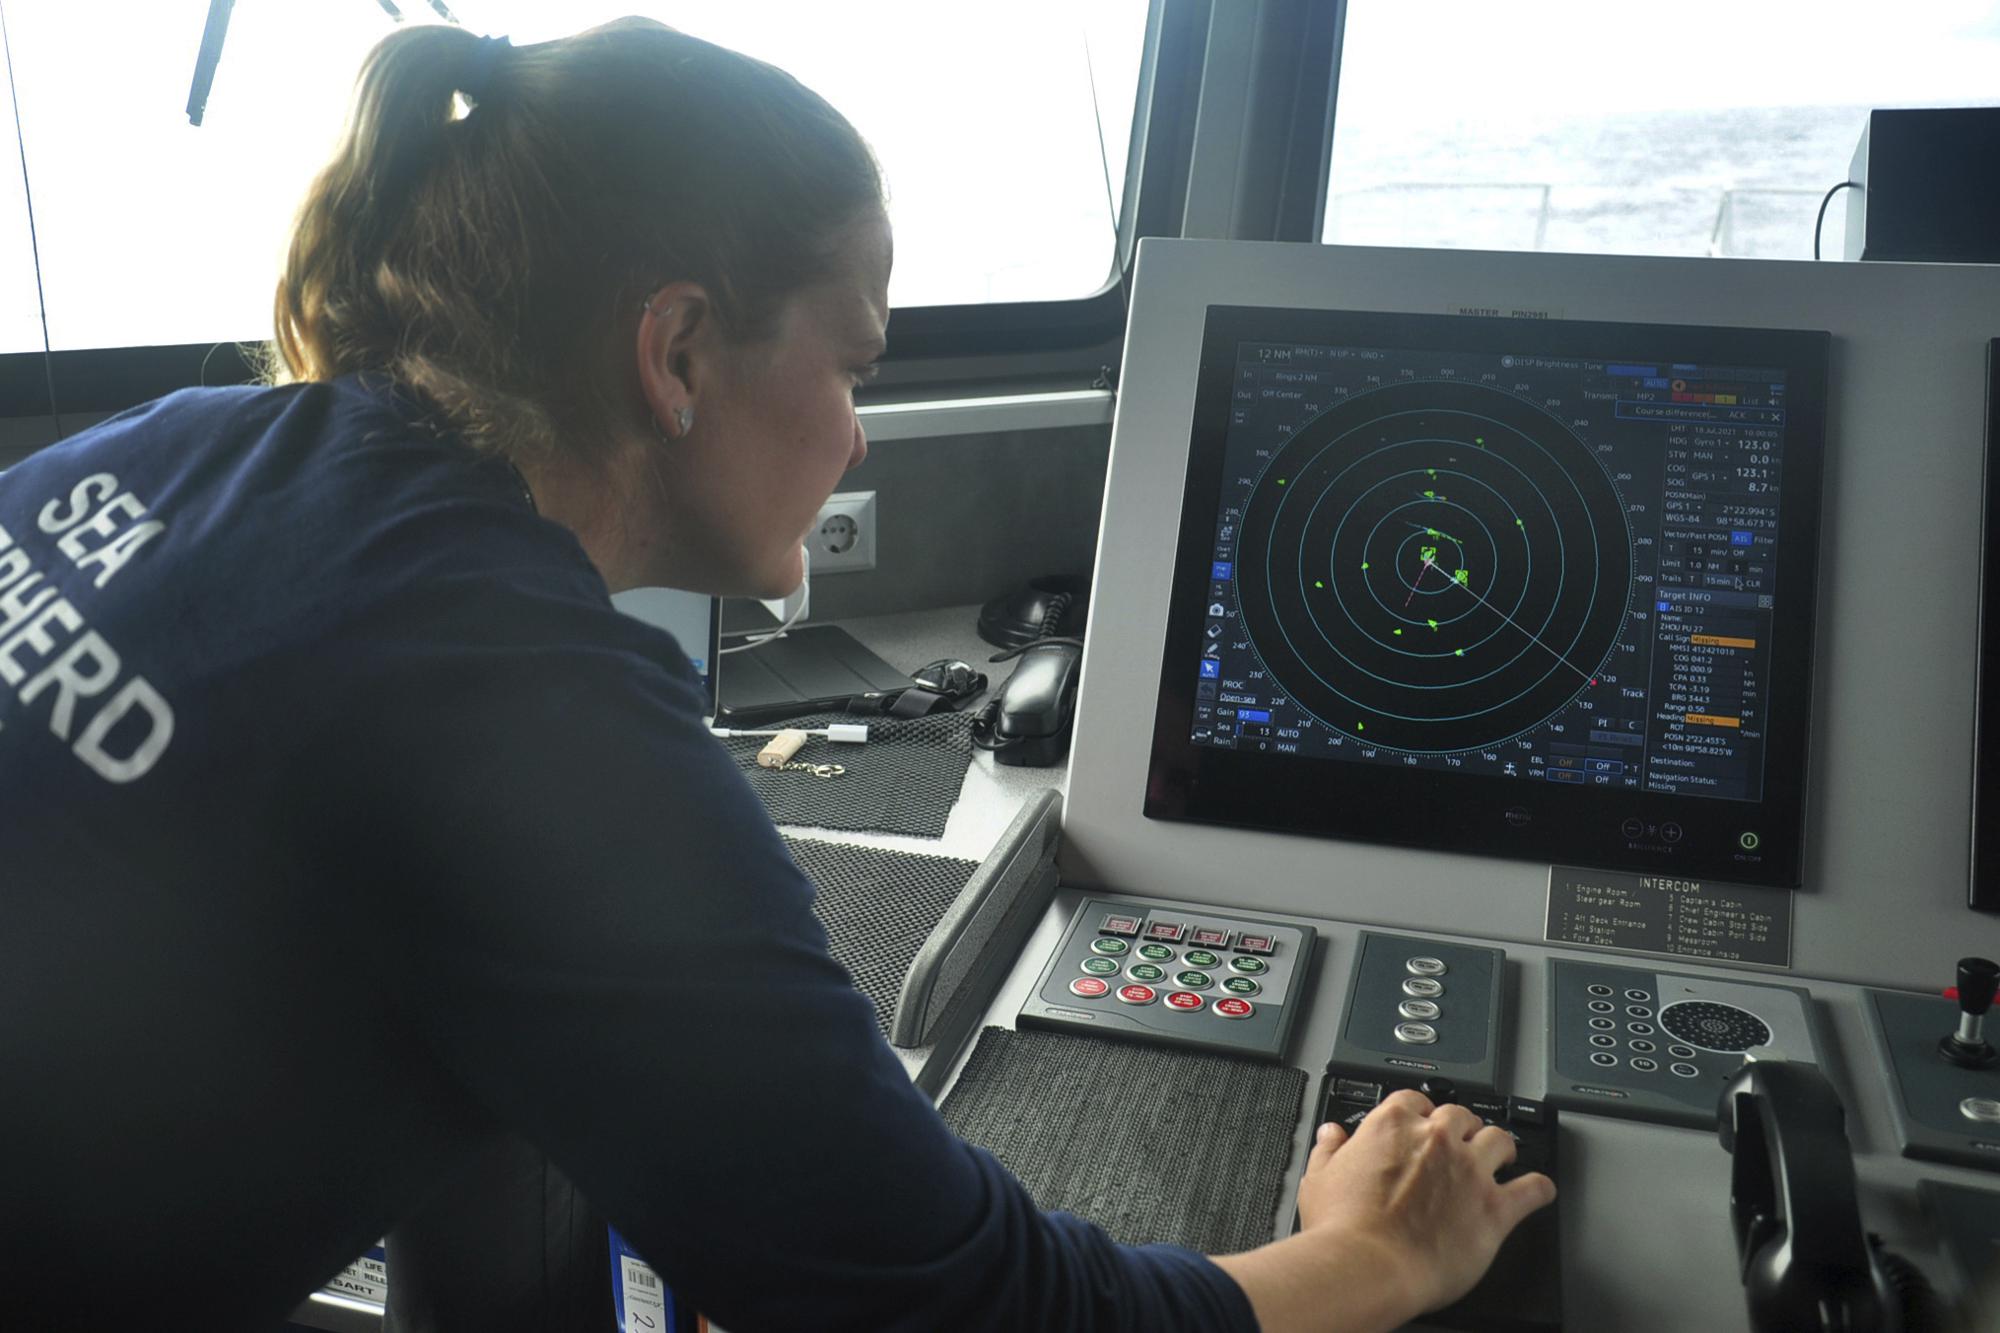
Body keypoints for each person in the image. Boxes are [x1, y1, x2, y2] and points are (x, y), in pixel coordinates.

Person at [0, 18, 1552, 1332]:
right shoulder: (521, 708)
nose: (862, 433)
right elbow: (959, 1305)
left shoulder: (170, 448)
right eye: (856, 365)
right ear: (676, 353)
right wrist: (1370, 1250)